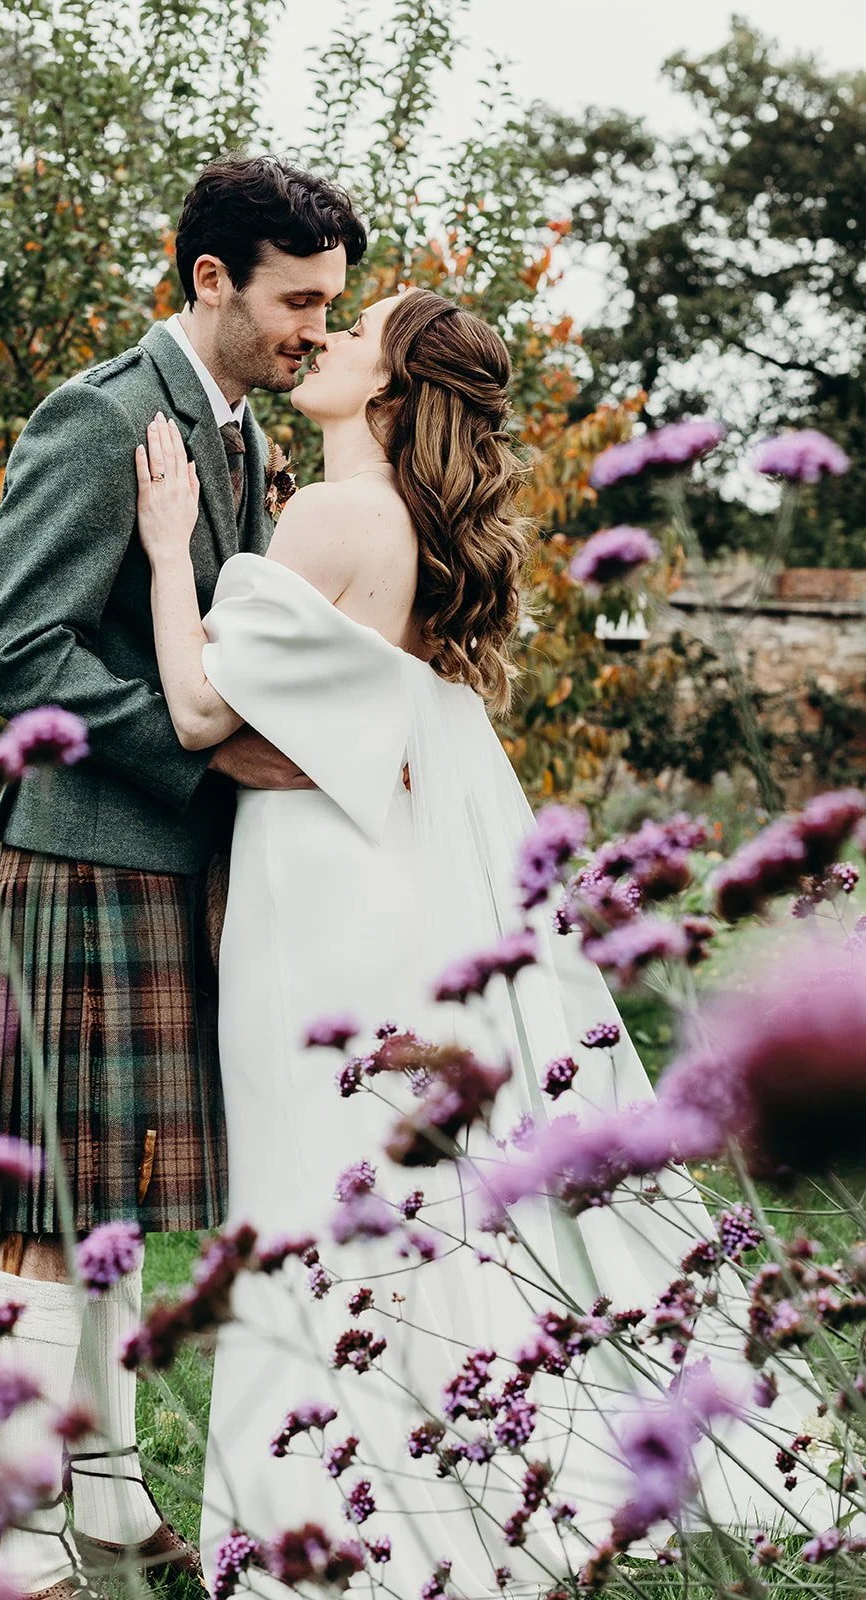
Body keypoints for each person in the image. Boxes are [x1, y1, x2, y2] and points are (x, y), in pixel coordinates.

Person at [135, 288, 834, 1597]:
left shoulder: (336, 515)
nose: (324, 340)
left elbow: (189, 707)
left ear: (390, 391)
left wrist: (173, 548)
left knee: (306, 1181)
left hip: (311, 896)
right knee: (384, 1188)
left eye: (355, 334)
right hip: (363, 878)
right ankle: (417, 1478)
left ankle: (327, 1511)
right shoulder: (403, 532)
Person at [0, 155, 366, 1600]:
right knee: (55, 1207)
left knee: (114, 1207)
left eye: (329, 306)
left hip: (177, 867)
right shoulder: (106, 414)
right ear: (209, 280)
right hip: (89, 854)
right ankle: (1, 1533)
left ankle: (105, 1502)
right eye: (298, 302)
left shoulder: (233, 435)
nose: (316, 330)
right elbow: (19, 654)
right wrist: (202, 764)